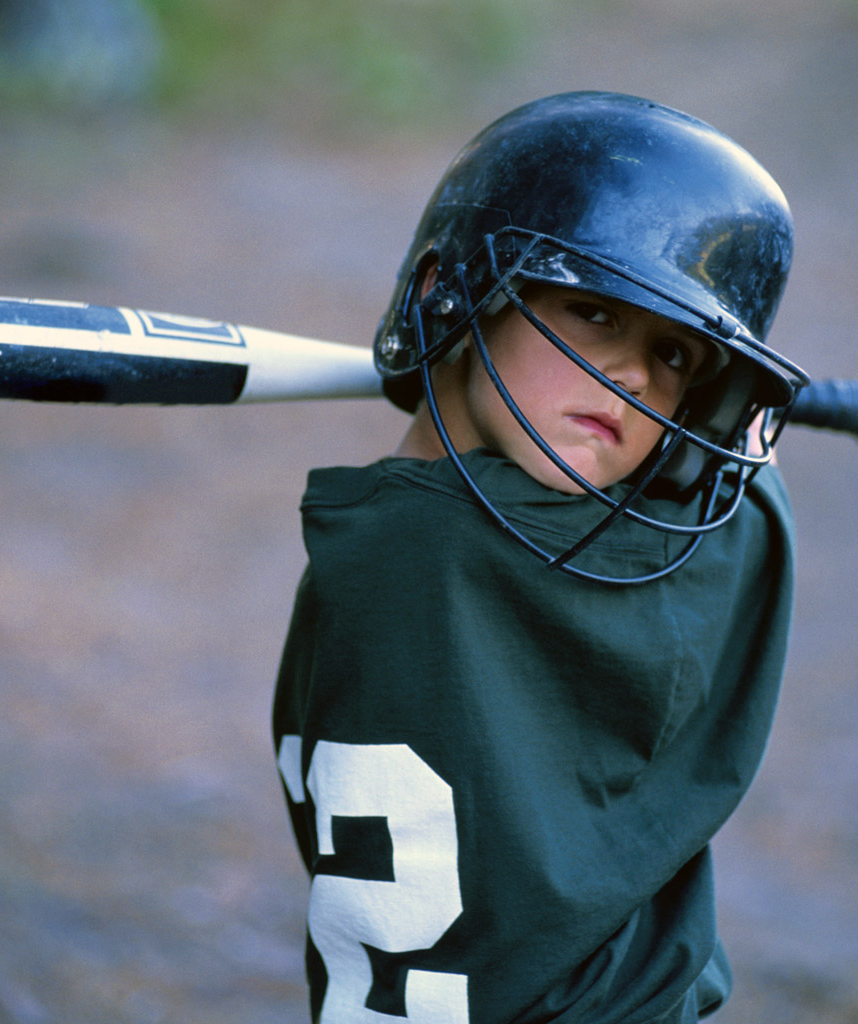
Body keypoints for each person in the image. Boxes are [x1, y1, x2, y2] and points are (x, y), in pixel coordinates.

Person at [271, 91, 808, 1024]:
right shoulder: (697, 553)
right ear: (459, 289)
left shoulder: (374, 539)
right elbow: (746, 500)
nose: (637, 377)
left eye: (678, 358)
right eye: (596, 311)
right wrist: (732, 427)